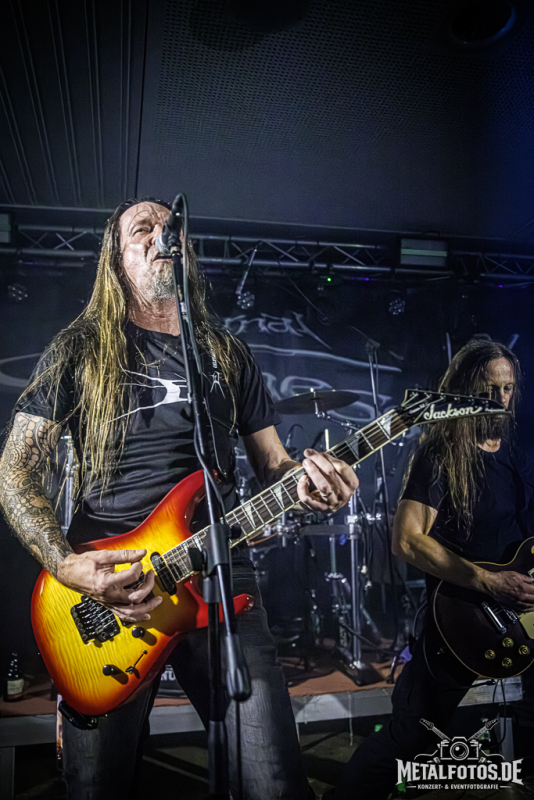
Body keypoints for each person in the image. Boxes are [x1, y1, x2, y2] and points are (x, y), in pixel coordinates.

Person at [0, 198, 358, 800]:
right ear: (116, 259)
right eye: (143, 229)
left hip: (219, 574)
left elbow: (273, 465)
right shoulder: (81, 347)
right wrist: (67, 565)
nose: (162, 235)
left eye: (172, 228)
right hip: (112, 588)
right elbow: (15, 470)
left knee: (274, 782)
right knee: (96, 786)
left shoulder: (226, 353)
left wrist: (308, 483)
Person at [329, 339, 534, 800]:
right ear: (463, 391)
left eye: (507, 389)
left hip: (519, 613)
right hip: (464, 618)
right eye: (489, 389)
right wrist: (488, 581)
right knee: (413, 733)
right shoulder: (441, 455)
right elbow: (407, 540)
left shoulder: (515, 455)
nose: (500, 399)